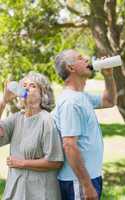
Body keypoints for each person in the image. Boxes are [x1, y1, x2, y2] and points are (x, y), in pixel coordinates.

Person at [52, 49, 117, 200]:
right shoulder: (71, 102)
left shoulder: (81, 96)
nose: (87, 59)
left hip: (88, 177)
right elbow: (69, 145)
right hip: (78, 181)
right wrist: (87, 185)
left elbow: (109, 101)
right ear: (71, 68)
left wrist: (108, 76)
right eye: (81, 58)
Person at [0, 71, 64, 200]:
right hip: (16, 192)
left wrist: (22, 163)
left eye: (32, 85)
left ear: (43, 94)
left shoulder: (47, 121)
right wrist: (4, 101)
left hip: (40, 193)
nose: (26, 88)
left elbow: (55, 162)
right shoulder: (17, 118)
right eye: (24, 85)